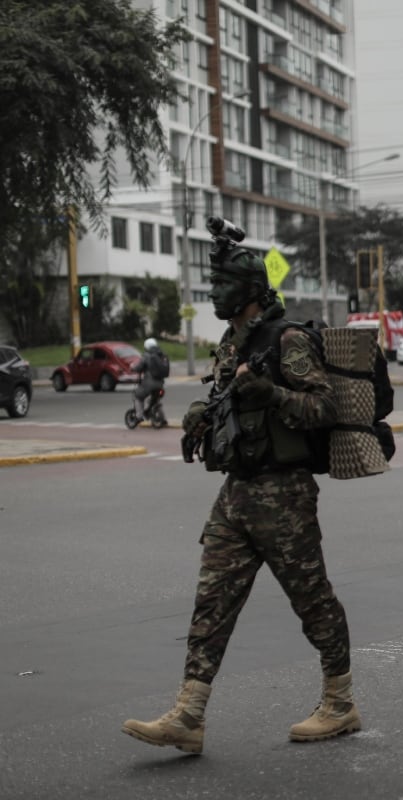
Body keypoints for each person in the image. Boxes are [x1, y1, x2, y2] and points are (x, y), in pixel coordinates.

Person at [122, 242, 358, 754]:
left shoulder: (288, 340)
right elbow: (228, 401)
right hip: (237, 494)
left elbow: (324, 408)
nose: (214, 292)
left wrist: (272, 394)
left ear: (250, 289)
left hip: (285, 495)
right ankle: (188, 716)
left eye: (223, 283)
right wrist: (201, 417)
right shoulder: (233, 342)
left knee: (312, 601)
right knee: (212, 601)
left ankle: (340, 703)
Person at [132, 337, 167, 422]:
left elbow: (139, 367)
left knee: (138, 396)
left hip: (149, 384)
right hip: (161, 384)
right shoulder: (162, 354)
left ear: (146, 346)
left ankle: (139, 416)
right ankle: (161, 418)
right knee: (156, 399)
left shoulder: (147, 355)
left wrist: (132, 367)